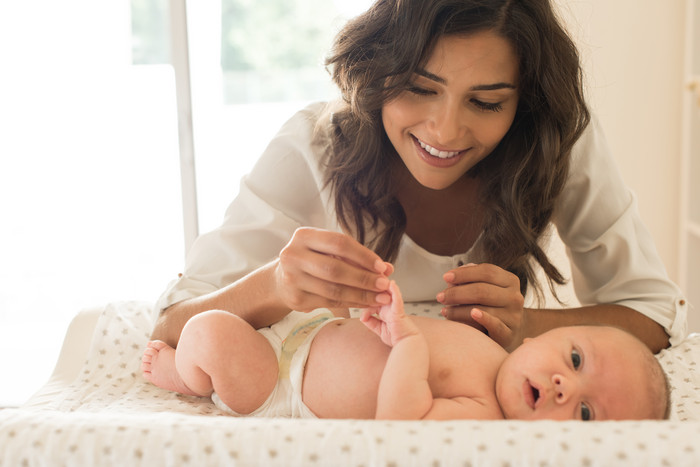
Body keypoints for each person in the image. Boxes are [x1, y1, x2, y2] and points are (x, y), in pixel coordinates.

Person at [151, 0, 687, 353]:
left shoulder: (554, 142)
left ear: (524, 106)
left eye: (485, 102)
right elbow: (173, 324)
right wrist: (274, 285)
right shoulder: (314, 144)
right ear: (377, 70)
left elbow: (652, 316)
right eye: (419, 88)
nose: (446, 130)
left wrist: (525, 328)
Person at [142, 281, 670, 421]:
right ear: (535, 336)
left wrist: (409, 341)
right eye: (574, 361)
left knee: (210, 332)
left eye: (583, 412)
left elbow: (401, 420)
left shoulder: (486, 416)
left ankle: (185, 377)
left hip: (282, 381)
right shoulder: (492, 350)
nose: (564, 385)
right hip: (318, 334)